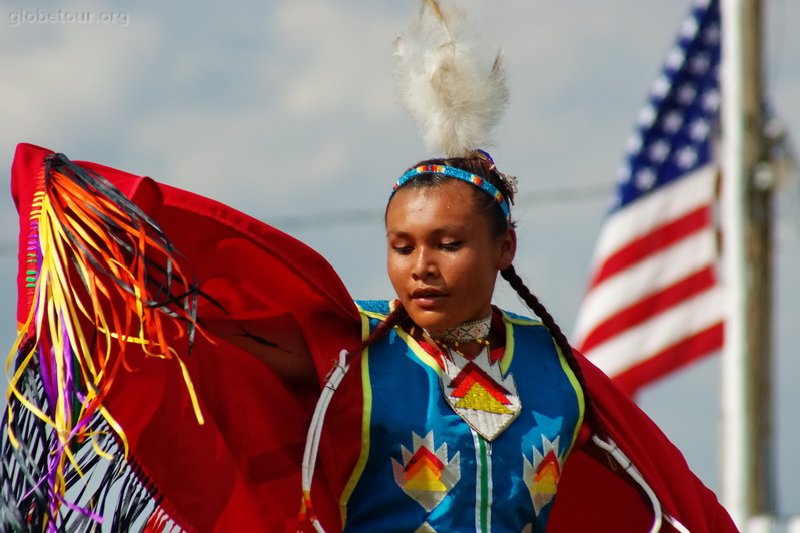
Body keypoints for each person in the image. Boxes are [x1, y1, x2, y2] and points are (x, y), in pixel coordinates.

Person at [2, 1, 738, 532]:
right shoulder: (345, 355)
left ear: (503, 249)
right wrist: (96, 240)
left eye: (448, 244)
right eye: (403, 245)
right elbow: (189, 327)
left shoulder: (561, 372)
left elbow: (667, 486)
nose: (420, 266)